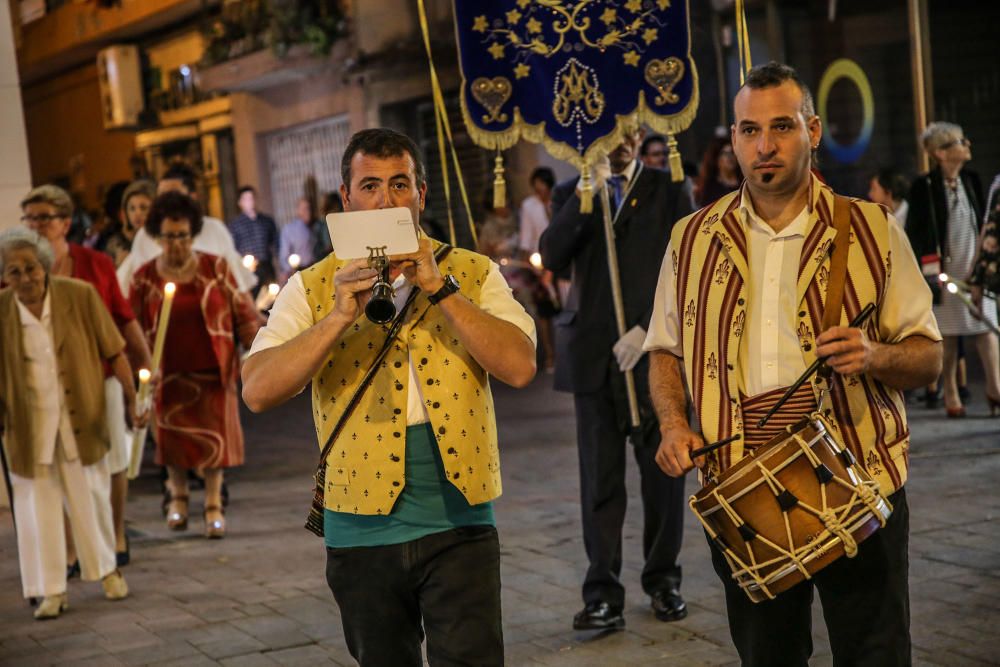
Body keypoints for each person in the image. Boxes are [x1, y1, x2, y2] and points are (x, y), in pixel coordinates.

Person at [644, 61, 943, 666]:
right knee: (767, 657)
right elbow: (665, 351)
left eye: (781, 127)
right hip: (742, 488)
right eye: (749, 131)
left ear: (811, 130)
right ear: (733, 140)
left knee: (875, 654)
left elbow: (929, 357)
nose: (765, 145)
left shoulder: (873, 229)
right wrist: (674, 425)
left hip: (859, 481)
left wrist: (876, 355)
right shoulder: (691, 238)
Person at [241, 128, 536, 666]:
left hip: (460, 520)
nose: (386, 199)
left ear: (421, 195)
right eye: (370, 186)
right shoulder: (311, 286)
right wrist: (337, 317)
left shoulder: (471, 270)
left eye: (400, 184)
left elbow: (519, 366)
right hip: (360, 528)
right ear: (347, 199)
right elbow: (257, 389)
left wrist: (441, 289)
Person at [540, 127, 694, 631]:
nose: (622, 138)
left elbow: (685, 268)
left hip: (652, 354)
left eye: (630, 125)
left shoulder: (669, 186)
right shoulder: (572, 192)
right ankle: (603, 591)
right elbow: (554, 256)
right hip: (593, 357)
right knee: (600, 481)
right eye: (610, 127)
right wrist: (587, 194)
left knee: (664, 476)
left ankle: (664, 579)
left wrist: (648, 330)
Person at [0, 228, 145, 619]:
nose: (25, 278)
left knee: (92, 498)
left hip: (81, 419)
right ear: (4, 277)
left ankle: (107, 571)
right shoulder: (1, 312)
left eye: (30, 268)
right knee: (35, 510)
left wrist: (134, 401)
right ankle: (50, 590)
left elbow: (115, 352)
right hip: (28, 431)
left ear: (44, 265)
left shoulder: (79, 295)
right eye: (14, 272)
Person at [21, 185, 153, 568]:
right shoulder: (21, 269)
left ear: (64, 222)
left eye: (43, 217)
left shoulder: (94, 263)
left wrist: (144, 372)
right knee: (57, 464)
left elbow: (123, 319)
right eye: (29, 218)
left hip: (100, 376)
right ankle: (72, 545)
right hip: (43, 382)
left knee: (112, 459)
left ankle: (116, 533)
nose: (35, 225)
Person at [129, 192, 263, 539]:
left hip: (211, 367)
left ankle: (214, 504)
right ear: (158, 236)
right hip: (168, 370)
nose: (177, 244)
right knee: (173, 439)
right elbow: (131, 326)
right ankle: (179, 497)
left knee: (213, 439)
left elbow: (242, 310)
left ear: (194, 234)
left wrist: (262, 344)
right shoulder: (144, 277)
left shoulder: (214, 267)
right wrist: (139, 367)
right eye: (170, 236)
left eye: (184, 235)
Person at [906, 122, 1000, 417]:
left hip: (975, 264)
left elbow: (985, 222)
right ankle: (949, 389)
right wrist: (927, 270)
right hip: (944, 268)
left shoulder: (971, 179)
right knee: (946, 336)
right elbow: (916, 231)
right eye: (960, 141)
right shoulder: (925, 186)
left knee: (985, 328)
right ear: (940, 153)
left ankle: (995, 388)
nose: (967, 145)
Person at [116, 163, 256, 294]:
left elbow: (238, 285)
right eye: (161, 196)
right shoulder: (145, 235)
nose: (167, 202)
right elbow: (133, 286)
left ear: (192, 197)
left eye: (173, 195)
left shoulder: (215, 230)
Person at [517, 167, 559, 373]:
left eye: (544, 187)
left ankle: (565, 353)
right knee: (544, 311)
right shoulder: (529, 205)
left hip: (562, 259)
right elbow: (527, 236)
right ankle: (550, 354)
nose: (540, 191)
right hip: (540, 260)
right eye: (537, 187)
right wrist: (529, 261)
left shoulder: (560, 198)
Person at [229, 185, 280, 286]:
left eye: (252, 198)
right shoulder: (235, 225)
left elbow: (276, 244)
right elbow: (232, 249)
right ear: (240, 203)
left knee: (271, 297)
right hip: (247, 270)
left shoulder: (267, 221)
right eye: (246, 199)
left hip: (266, 267)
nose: (250, 201)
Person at [105, 180, 156, 268]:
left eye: (143, 208)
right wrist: (118, 265)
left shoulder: (161, 239)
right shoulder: (115, 244)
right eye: (132, 208)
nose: (137, 214)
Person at [279, 197, 321, 281]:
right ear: (297, 211)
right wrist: (289, 270)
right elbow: (284, 255)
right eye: (304, 209)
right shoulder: (289, 229)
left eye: (309, 208)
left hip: (316, 269)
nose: (307, 212)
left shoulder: (317, 226)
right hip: (299, 271)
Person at [696, 136, 743, 207]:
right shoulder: (710, 188)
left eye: (732, 152)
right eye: (725, 153)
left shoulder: (745, 182)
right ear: (716, 159)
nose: (730, 157)